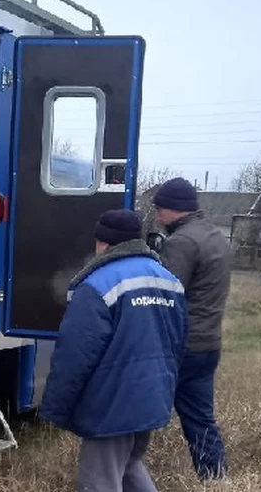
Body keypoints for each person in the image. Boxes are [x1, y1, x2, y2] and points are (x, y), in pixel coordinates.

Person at [41, 209, 188, 492]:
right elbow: (178, 342)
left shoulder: (97, 285)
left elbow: (75, 356)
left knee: (98, 481)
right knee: (129, 466)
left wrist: (57, 407)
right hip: (153, 396)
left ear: (103, 243)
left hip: (112, 404)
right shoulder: (168, 280)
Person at [152, 177, 231, 480]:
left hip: (181, 346)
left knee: (138, 412)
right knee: (201, 419)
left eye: (160, 210)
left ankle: (122, 473)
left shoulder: (182, 242)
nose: (158, 216)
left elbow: (164, 292)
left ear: (175, 209)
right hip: (208, 343)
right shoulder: (214, 235)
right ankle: (216, 478)